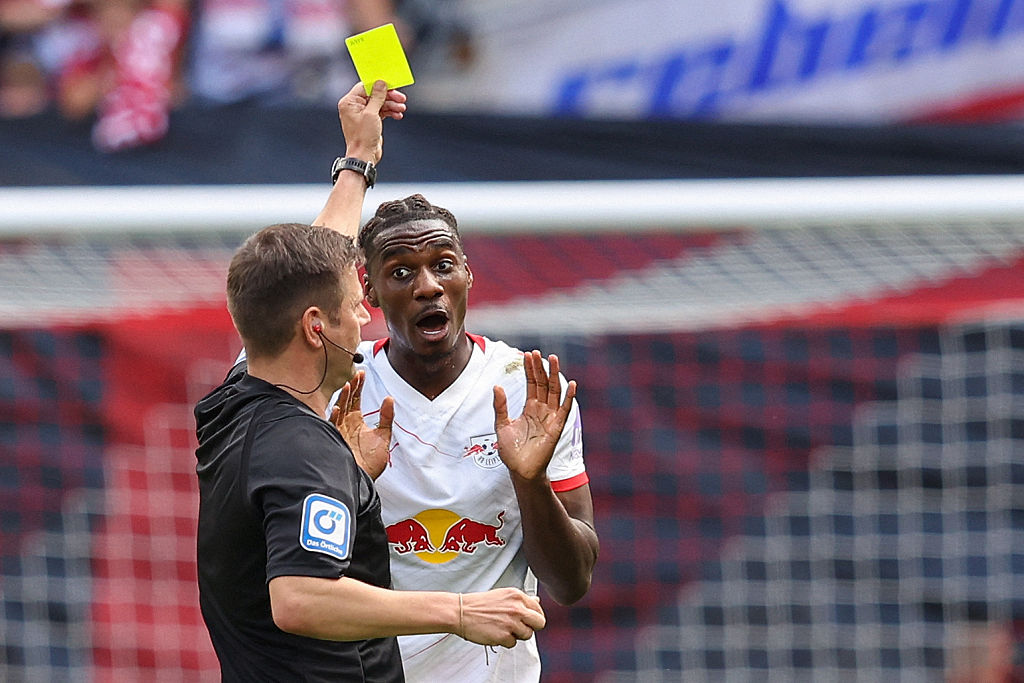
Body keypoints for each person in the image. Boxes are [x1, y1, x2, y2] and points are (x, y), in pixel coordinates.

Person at [194, 81, 547, 681]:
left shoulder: (229, 403)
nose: (365, 319)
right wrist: (460, 610)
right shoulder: (306, 449)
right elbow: (301, 598)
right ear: (313, 328)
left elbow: (307, 271)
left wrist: (358, 160)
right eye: (357, 305)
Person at [310, 170, 600, 679]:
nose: (428, 287)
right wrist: (349, 480)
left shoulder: (525, 389)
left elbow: (571, 583)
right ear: (368, 292)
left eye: (443, 266)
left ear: (467, 275)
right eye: (401, 273)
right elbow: (308, 578)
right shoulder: (338, 388)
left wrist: (529, 481)